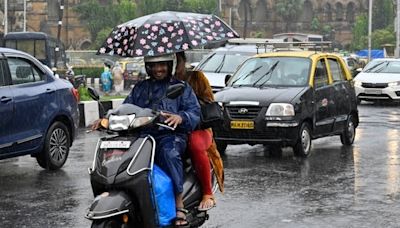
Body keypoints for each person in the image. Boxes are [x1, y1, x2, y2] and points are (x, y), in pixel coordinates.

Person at [123, 53, 200, 227]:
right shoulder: (140, 88)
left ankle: (179, 204)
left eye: (162, 65)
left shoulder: (181, 87)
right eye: (154, 66)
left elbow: (195, 113)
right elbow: (126, 107)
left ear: (169, 65)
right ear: (148, 67)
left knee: (169, 154)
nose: (158, 69)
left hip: (170, 136)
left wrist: (181, 117)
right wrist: (107, 118)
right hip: (143, 136)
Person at [175, 51, 224, 211]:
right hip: (171, 128)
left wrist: (190, 106)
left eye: (177, 62)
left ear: (183, 61)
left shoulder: (196, 78)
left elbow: (209, 100)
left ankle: (207, 193)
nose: (175, 67)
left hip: (198, 127)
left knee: (195, 144)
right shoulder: (160, 82)